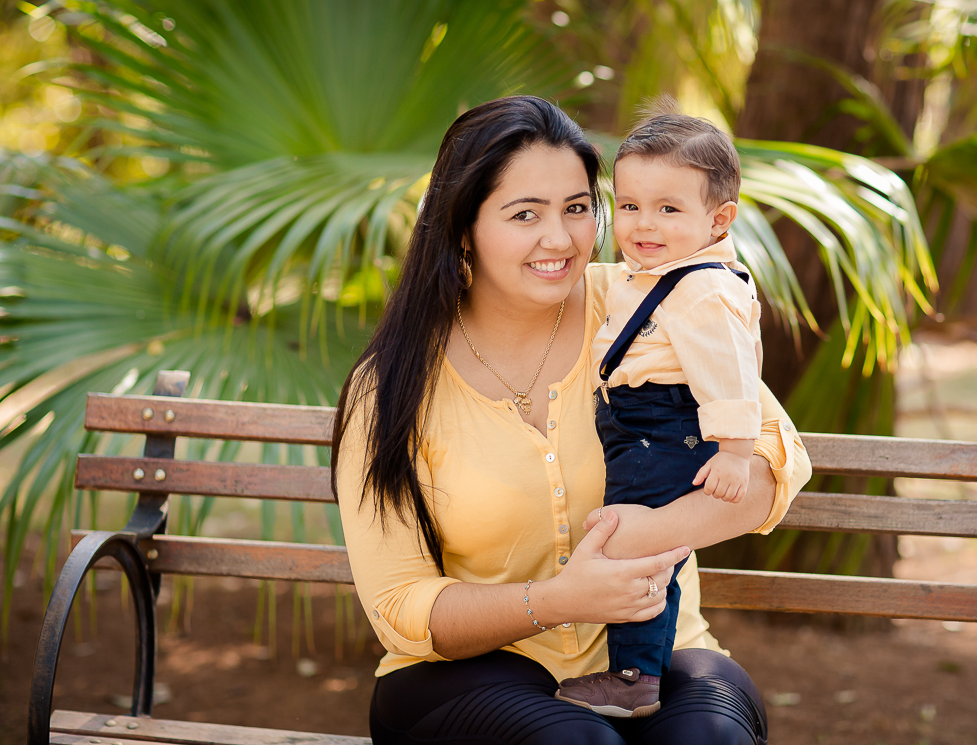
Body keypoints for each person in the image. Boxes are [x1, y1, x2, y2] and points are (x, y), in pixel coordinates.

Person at [331, 95, 812, 745]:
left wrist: (651, 532)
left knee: (709, 738)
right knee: (577, 744)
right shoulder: (392, 384)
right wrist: (562, 600)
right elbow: (400, 607)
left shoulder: (655, 298)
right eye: (525, 214)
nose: (559, 239)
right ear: (462, 225)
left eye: (578, 208)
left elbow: (775, 462)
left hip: (659, 656)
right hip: (464, 672)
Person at [555, 112, 763, 718]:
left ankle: (634, 676)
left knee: (635, 548)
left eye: (669, 209)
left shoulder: (702, 289)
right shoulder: (654, 274)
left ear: (719, 218)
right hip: (640, 424)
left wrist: (735, 454)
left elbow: (732, 372)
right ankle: (637, 669)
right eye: (630, 206)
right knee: (639, 546)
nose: (644, 223)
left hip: (663, 427)